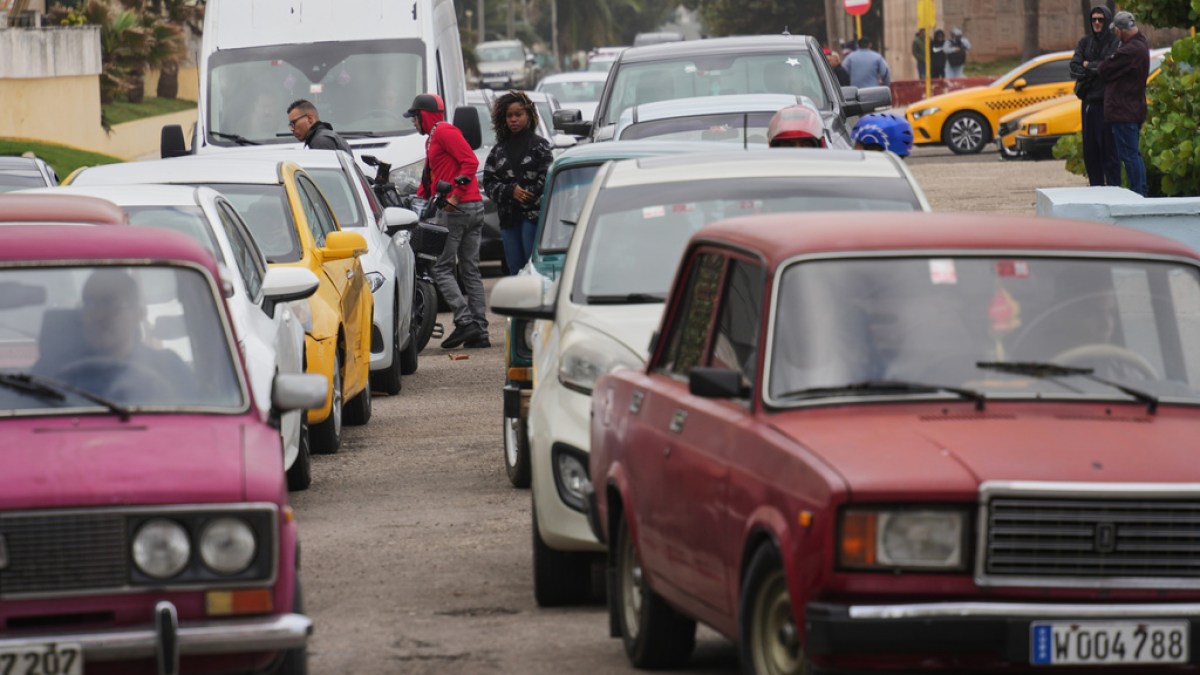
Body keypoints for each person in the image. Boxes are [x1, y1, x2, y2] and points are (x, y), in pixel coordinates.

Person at [404, 93, 490, 349]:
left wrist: (455, 195)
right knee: (470, 269)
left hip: (457, 209)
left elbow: (470, 161)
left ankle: (465, 321)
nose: (413, 123)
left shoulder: (444, 131)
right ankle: (479, 331)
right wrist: (417, 200)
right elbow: (430, 178)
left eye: (415, 118)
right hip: (470, 207)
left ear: (425, 116)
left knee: (441, 268)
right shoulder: (433, 138)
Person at [36, 269, 189, 399]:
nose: (97, 315)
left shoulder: (170, 367)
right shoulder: (50, 372)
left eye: (110, 304)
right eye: (89, 304)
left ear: (138, 314)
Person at [481, 91, 554, 275]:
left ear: (529, 115)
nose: (513, 119)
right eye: (509, 116)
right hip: (508, 219)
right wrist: (510, 191)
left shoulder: (541, 146)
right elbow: (488, 182)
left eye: (518, 114)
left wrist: (528, 193)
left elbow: (547, 177)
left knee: (533, 268)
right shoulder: (498, 150)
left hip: (534, 216)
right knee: (515, 269)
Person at [1099, 11, 1150, 197]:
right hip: (1132, 108)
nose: (1115, 34)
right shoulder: (1140, 44)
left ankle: (1138, 193)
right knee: (1132, 154)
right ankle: (1140, 191)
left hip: (1124, 110)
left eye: (1116, 31)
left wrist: (1108, 62)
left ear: (1120, 30)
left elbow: (1104, 69)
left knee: (1129, 155)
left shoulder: (1130, 50)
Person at [1070, 6, 1121, 188]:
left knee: (1109, 150)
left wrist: (1088, 65)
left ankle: (1114, 189)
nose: (1097, 23)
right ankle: (1096, 188)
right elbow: (1074, 67)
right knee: (1090, 151)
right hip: (1088, 103)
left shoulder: (1114, 42)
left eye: (1100, 19)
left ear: (1107, 21)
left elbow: (1108, 67)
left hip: (1106, 103)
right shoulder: (1085, 42)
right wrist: (1094, 68)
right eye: (1094, 19)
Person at [287, 99, 352, 153]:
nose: (292, 129)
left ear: (310, 119)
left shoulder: (320, 140)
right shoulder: (326, 136)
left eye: (294, 123)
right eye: (290, 125)